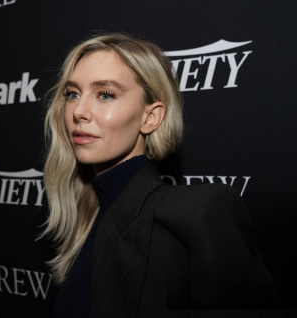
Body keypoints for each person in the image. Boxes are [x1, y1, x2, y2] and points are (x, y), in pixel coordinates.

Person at [41, 33, 282, 318]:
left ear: (150, 117)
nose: (79, 111)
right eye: (72, 94)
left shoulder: (196, 215)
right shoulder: (86, 219)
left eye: (105, 94)